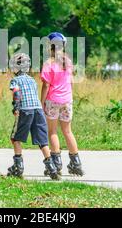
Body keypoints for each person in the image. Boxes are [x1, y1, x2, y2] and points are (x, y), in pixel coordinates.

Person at [7, 52, 60, 180]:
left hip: (25, 111)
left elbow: (16, 93)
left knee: (15, 138)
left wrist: (16, 107)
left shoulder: (15, 80)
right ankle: (51, 167)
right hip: (38, 111)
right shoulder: (32, 80)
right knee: (42, 140)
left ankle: (18, 167)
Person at [40, 32, 84, 176]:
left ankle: (56, 164)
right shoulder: (68, 61)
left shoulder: (48, 63)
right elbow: (70, 81)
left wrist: (42, 103)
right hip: (67, 100)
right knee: (67, 131)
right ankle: (76, 163)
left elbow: (46, 85)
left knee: (52, 131)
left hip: (53, 100)